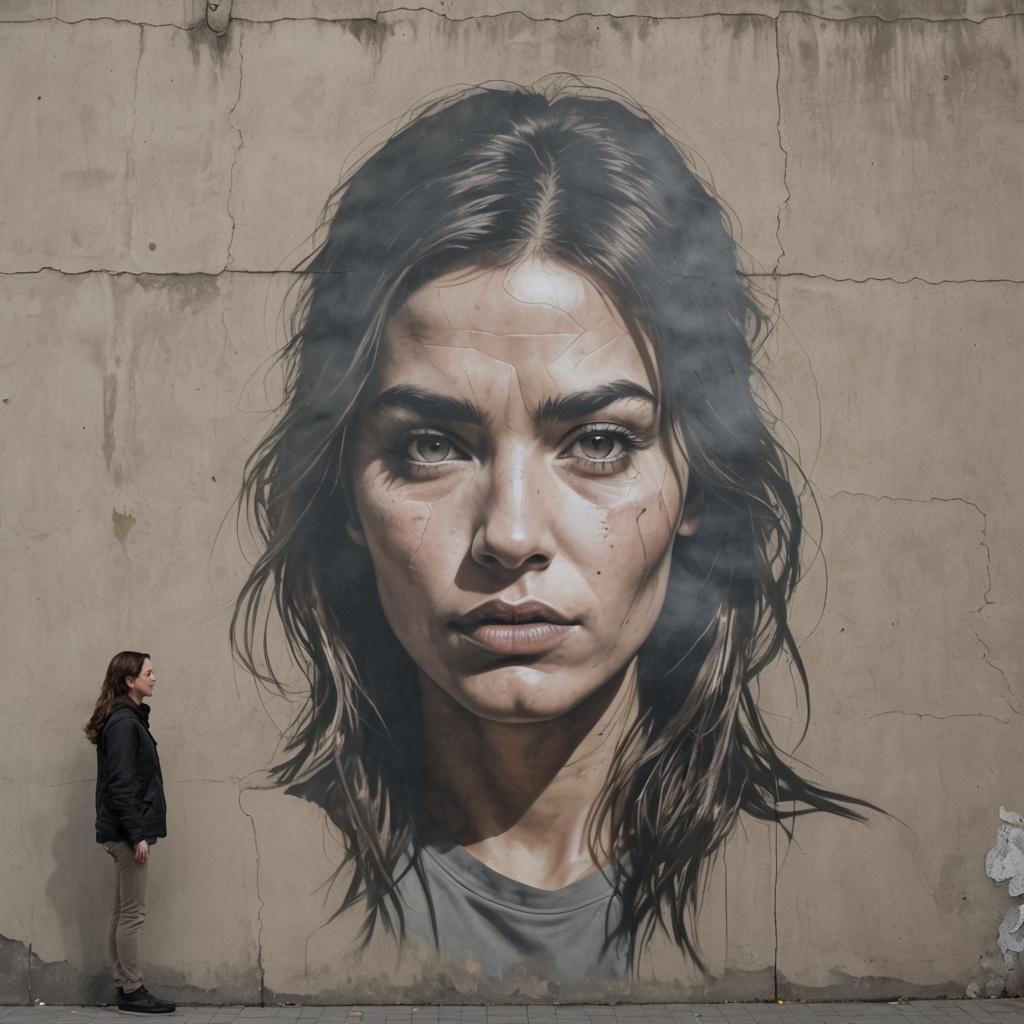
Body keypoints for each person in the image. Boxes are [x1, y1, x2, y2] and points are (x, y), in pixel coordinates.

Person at [233, 79, 871, 980]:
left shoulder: (827, 902)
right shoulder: (262, 888)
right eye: (430, 445)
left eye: (600, 442)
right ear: (344, 495)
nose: (512, 531)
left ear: (696, 482)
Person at [85, 651, 175, 1013]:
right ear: (129, 681)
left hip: (123, 829)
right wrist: (138, 834)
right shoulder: (124, 723)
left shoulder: (128, 718)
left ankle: (125, 986)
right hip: (126, 832)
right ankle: (132, 989)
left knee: (122, 912)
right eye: (148, 672)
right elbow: (121, 784)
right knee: (133, 914)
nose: (155, 678)